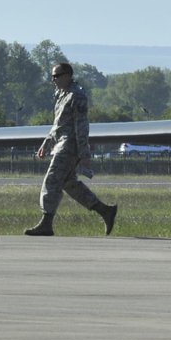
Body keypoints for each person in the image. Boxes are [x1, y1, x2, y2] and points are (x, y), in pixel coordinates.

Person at [25, 62, 118, 237]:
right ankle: (105, 211)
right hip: (59, 143)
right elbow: (58, 124)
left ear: (68, 75)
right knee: (69, 183)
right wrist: (46, 142)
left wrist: (84, 154)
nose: (53, 80)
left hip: (69, 146)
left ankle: (46, 223)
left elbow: (81, 127)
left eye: (57, 76)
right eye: (52, 76)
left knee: (51, 181)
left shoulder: (77, 96)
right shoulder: (61, 95)